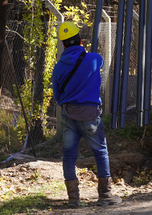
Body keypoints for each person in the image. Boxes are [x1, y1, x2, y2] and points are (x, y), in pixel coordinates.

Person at [52, 21, 121, 207]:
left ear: (63, 44)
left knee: (68, 156)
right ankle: (105, 195)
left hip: (68, 116)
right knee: (100, 152)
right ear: (81, 41)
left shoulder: (58, 67)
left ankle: (73, 199)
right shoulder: (93, 59)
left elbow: (57, 96)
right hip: (90, 115)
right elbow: (101, 62)